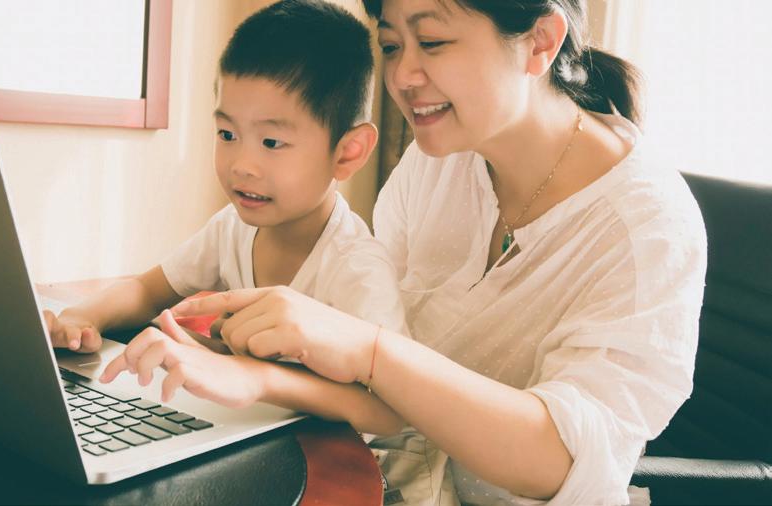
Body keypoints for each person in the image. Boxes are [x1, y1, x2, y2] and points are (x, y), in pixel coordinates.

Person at [157, 0, 708, 504]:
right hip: (388, 479)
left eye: (433, 42)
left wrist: (369, 351)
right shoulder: (439, 157)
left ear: (540, 41)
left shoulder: (646, 226)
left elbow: (565, 459)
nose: (401, 76)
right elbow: (372, 354)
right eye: (392, 45)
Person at [47, 0, 410, 438]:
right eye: (227, 134)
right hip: (249, 433)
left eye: (271, 142)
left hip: (343, 459)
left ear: (348, 152)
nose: (241, 165)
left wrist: (255, 375)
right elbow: (147, 289)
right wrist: (82, 318)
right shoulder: (232, 228)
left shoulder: (358, 268)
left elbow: (391, 412)